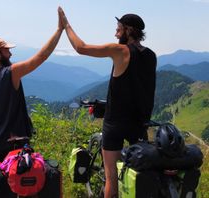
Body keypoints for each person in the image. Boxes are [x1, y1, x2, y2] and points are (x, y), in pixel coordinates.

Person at [58, 7, 156, 198]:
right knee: (140, 173)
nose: (115, 32)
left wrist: (66, 25)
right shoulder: (151, 55)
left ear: (128, 30)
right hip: (140, 122)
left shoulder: (120, 50)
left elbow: (81, 48)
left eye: (118, 28)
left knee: (111, 177)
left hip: (116, 122)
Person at [0, 9, 64, 162]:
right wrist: (59, 30)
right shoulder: (11, 73)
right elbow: (41, 57)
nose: (10, 53)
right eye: (7, 50)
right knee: (21, 183)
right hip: (16, 144)